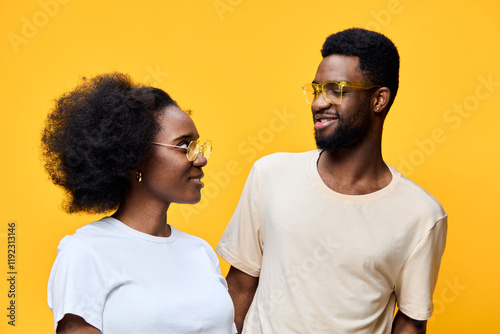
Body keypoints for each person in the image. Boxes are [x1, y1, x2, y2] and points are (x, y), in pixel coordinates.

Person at [216, 28, 447, 334]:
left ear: (379, 99)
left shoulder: (421, 215)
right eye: (316, 90)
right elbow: (240, 288)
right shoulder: (270, 174)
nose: (317, 103)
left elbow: (412, 322)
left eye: (336, 90)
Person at [42, 73, 237, 334]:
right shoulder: (86, 251)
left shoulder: (200, 251)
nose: (201, 159)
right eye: (184, 146)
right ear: (134, 157)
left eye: (198, 146)